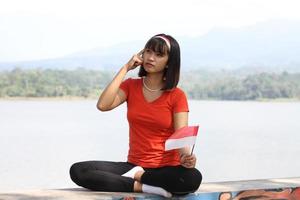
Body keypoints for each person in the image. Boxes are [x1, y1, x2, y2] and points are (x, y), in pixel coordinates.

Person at [69, 33, 202, 198]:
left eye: (159, 54)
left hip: (166, 168)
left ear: (169, 62)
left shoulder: (177, 95)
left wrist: (185, 157)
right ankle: (144, 186)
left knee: (192, 178)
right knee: (79, 171)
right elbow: (103, 105)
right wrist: (125, 68)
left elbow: (181, 135)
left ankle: (142, 179)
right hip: (134, 166)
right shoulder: (131, 86)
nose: (151, 58)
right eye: (148, 51)